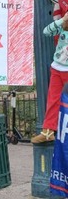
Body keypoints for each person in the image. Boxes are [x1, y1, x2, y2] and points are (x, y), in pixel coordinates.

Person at [31, 11, 68, 143]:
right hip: (57, 68)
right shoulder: (64, 24)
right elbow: (46, 31)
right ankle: (48, 131)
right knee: (53, 100)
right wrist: (62, 20)